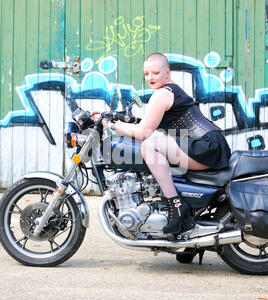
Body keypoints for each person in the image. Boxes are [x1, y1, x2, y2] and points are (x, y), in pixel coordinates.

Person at [95, 53, 231, 235]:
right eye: (146, 74)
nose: (150, 77)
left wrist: (112, 125)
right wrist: (122, 121)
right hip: (210, 144)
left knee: (149, 145)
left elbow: (144, 132)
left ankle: (175, 205)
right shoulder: (171, 90)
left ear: (167, 73)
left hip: (206, 147)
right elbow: (147, 123)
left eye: (155, 73)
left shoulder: (162, 94)